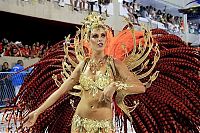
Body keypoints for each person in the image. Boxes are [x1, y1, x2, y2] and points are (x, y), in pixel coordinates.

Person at [23, 13, 145, 133]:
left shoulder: (114, 64)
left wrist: (115, 85)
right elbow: (60, 91)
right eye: (95, 36)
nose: (100, 39)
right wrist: (37, 111)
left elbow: (140, 87)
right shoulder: (83, 65)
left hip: (103, 126)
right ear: (88, 39)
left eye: (103, 35)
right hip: (79, 123)